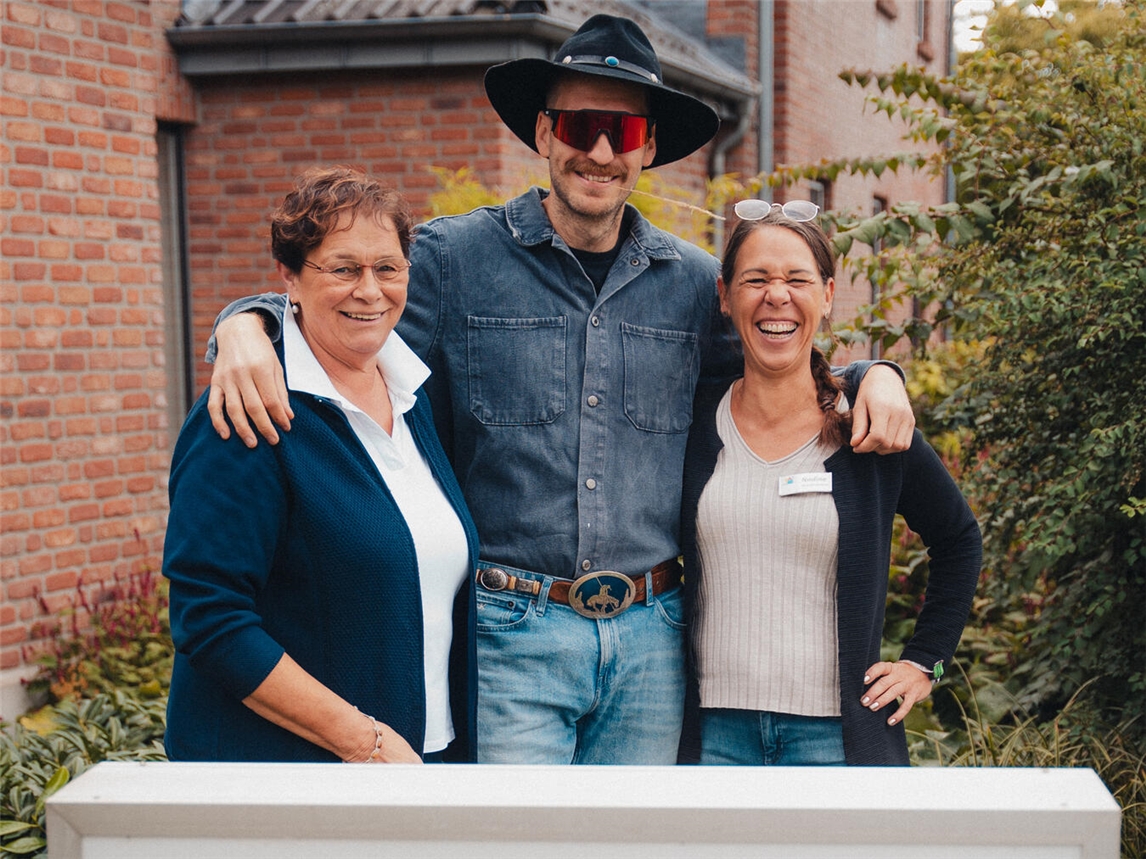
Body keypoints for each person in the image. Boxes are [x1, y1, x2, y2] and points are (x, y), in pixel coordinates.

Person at [202, 16, 916, 765]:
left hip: (653, 637)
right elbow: (346, 314)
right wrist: (247, 322)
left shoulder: (695, 284)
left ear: (646, 147)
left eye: (622, 129)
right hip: (514, 631)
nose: (599, 150)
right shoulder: (452, 261)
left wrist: (874, 374)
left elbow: (786, 361)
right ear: (544, 134)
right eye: (580, 124)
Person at [163, 166, 479, 764]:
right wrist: (366, 742)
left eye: (387, 268)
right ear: (289, 277)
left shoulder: (414, 399)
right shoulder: (248, 410)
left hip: (424, 760)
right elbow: (211, 620)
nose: (370, 290)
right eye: (343, 268)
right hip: (303, 775)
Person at [678, 205, 981, 766]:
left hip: (835, 743)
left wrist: (926, 662)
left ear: (827, 295)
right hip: (713, 739)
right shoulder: (692, 422)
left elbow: (958, 539)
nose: (777, 296)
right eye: (756, 279)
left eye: (797, 279)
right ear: (724, 295)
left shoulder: (870, 427)